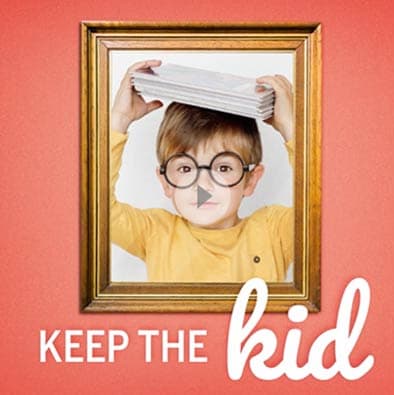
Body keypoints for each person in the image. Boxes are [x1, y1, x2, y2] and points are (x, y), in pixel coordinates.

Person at [110, 59, 294, 282]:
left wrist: (291, 128)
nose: (203, 186)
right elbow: (94, 208)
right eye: (186, 168)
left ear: (251, 180)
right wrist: (118, 120)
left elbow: (326, 212)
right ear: (166, 181)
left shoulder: (273, 231)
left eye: (223, 167)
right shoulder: (156, 232)